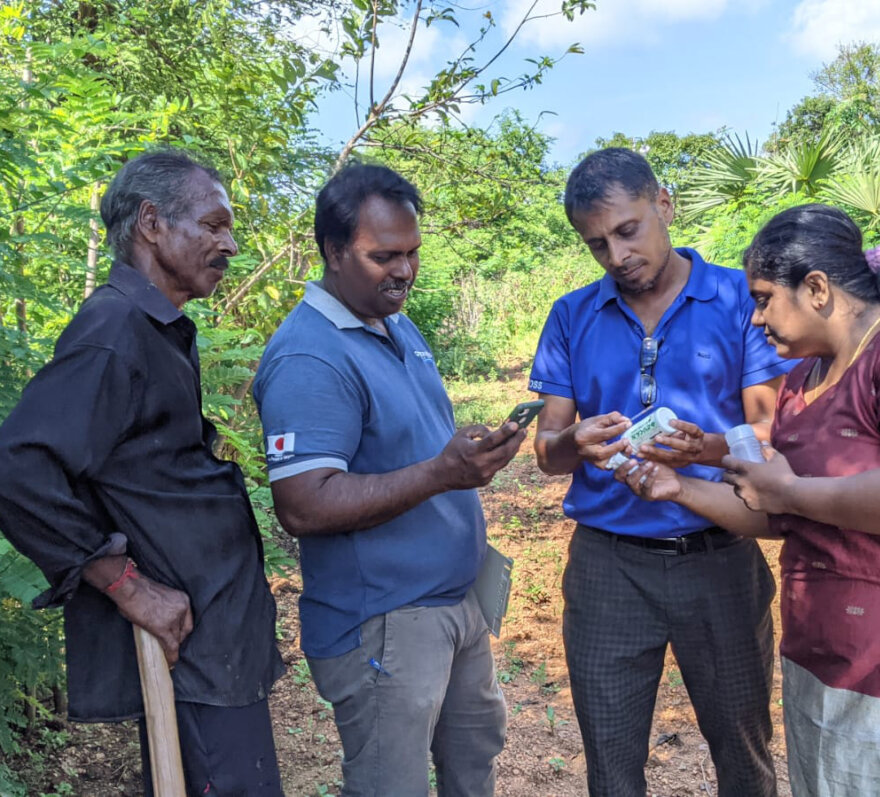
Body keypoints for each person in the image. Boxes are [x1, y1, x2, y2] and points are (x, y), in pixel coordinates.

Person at [617, 203, 880, 797]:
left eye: (762, 298)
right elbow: (782, 512)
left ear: (816, 289)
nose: (755, 321)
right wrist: (681, 483)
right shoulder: (807, 376)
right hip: (835, 655)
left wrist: (792, 490)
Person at [0, 151, 286, 795]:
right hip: (191, 659)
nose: (230, 245)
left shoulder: (155, 331)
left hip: (213, 647)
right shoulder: (113, 331)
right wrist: (126, 584)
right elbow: (16, 467)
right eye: (214, 226)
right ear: (151, 223)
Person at [252, 163, 525, 797]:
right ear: (333, 251)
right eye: (384, 256)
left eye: (411, 253)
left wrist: (466, 455)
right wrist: (441, 472)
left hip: (454, 602)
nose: (403, 271)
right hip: (384, 622)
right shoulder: (308, 356)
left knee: (473, 758)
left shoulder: (394, 323)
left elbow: (411, 443)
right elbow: (303, 503)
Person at [529, 147, 791, 797]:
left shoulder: (739, 299)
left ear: (664, 205)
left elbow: (770, 437)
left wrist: (701, 450)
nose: (617, 256)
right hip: (607, 566)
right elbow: (545, 451)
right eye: (597, 244)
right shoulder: (571, 314)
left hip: (720, 554)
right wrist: (573, 440)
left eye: (627, 230)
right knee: (612, 765)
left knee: (744, 752)